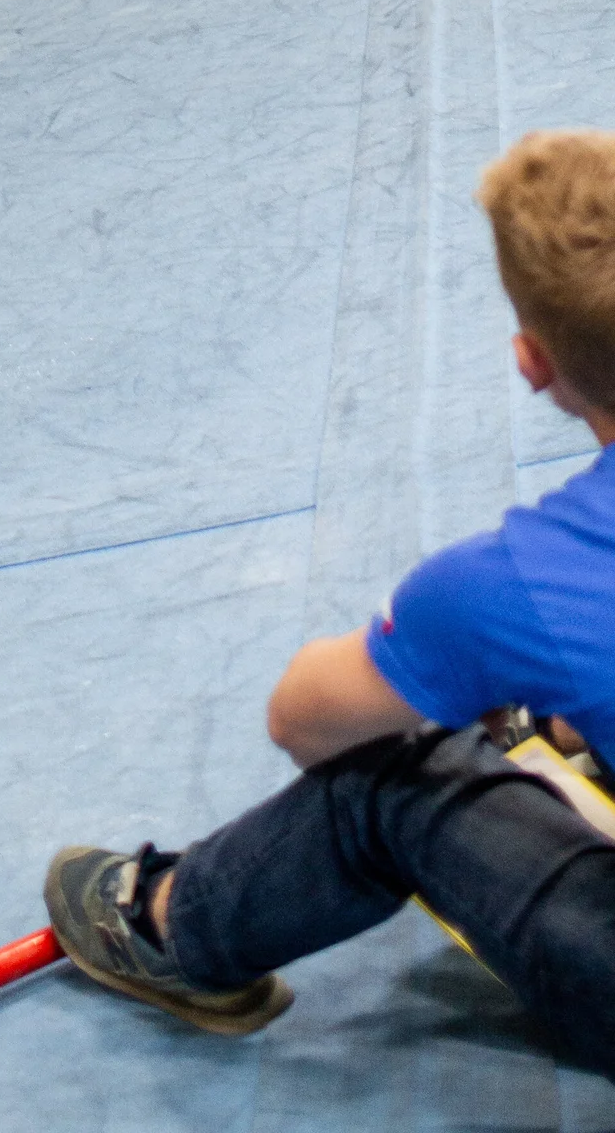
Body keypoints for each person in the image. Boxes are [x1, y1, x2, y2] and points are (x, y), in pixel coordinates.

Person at [44, 128, 615, 1075]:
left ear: (532, 364)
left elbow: (306, 723)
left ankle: (165, 926)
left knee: (392, 768)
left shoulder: (515, 583)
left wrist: (453, 655)